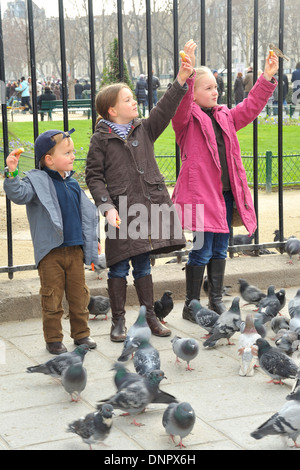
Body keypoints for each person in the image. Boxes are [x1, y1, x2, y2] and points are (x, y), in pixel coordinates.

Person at [85, 54, 193, 343]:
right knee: (119, 265)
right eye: (128, 99)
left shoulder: (144, 128)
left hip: (148, 207)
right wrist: (106, 207)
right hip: (120, 212)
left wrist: (182, 78)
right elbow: (93, 177)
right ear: (111, 110)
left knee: (143, 265)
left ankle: (149, 317)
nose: (134, 102)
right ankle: (118, 321)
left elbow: (165, 108)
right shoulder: (100, 140)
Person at [171, 39, 278, 322]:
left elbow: (251, 106)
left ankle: (215, 299)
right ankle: (191, 305)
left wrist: (266, 78)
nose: (215, 91)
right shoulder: (186, 120)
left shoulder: (225, 116)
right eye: (208, 88)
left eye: (217, 87)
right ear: (193, 94)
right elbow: (179, 103)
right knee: (201, 251)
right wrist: (188, 73)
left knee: (220, 249)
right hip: (202, 199)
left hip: (226, 195)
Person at [3, 129, 99, 355]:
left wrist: (91, 241)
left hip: (75, 250)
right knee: (52, 297)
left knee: (79, 296)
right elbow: (18, 194)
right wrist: (11, 172)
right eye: (67, 153)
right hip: (50, 253)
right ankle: (54, 339)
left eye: (73, 152)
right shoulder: (36, 184)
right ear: (49, 159)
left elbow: (85, 217)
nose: (73, 156)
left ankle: (81, 334)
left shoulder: (73, 184)